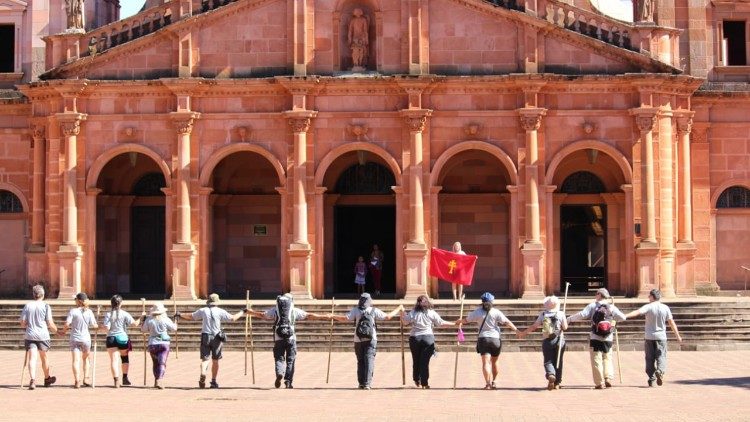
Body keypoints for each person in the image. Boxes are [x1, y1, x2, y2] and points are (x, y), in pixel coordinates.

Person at [246, 293, 334, 389]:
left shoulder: (275, 310)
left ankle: (280, 373)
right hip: (291, 338)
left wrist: (250, 312)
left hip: (278, 337)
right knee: (290, 360)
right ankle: (288, 382)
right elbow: (309, 315)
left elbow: (263, 315)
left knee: (279, 358)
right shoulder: (294, 310)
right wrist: (324, 316)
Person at [331, 293, 402, 389]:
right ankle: (367, 383)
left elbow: (345, 318)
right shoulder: (374, 310)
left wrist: (332, 315)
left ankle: (361, 383)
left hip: (358, 339)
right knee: (369, 361)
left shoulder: (355, 310)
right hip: (371, 339)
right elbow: (388, 317)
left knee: (360, 361)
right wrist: (399, 308)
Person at [176, 293, 245, 389]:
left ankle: (203, 372)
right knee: (215, 360)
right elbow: (233, 318)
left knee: (205, 359)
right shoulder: (220, 311)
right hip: (217, 337)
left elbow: (191, 316)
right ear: (217, 302)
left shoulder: (203, 310)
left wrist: (180, 314)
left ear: (208, 301)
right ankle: (213, 381)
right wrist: (243, 311)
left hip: (205, 336)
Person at [456, 292, 518, 389]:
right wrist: (517, 331)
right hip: (495, 339)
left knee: (486, 362)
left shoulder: (477, 312)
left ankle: (488, 383)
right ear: (492, 302)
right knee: (495, 362)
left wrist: (459, 321)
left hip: (483, 339)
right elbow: (507, 322)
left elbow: (466, 320)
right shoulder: (496, 312)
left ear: (482, 302)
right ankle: (495, 381)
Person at [567, 288, 626, 389]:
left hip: (595, 336)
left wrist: (569, 319)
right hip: (608, 337)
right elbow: (623, 317)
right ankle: (608, 378)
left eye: (596, 293)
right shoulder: (611, 307)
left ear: (599, 295)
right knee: (607, 358)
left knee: (596, 359)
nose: (595, 295)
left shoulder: (593, 305)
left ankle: (599, 382)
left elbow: (582, 314)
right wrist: (614, 321)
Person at [624, 289, 683, 387]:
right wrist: (678, 336)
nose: (648, 297)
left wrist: (625, 316)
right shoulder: (665, 308)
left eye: (649, 296)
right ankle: (660, 371)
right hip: (661, 337)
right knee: (661, 356)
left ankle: (651, 378)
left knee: (649, 358)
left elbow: (637, 312)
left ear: (652, 297)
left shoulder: (648, 307)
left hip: (649, 337)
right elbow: (671, 322)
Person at [402, 295, 454, 389]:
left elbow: (405, 322)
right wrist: (454, 324)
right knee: (424, 362)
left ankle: (417, 379)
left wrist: (403, 314)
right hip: (428, 338)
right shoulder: (431, 313)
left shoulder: (413, 312)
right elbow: (441, 323)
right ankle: (424, 383)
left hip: (415, 338)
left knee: (416, 360)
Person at [518, 296, 568, 390]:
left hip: (547, 340)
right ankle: (557, 382)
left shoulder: (544, 314)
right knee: (558, 361)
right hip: (559, 340)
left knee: (548, 360)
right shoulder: (561, 314)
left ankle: (551, 374)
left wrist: (523, 333)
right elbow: (565, 327)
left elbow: (534, 326)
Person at [19, 284, 58, 390]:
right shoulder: (46, 306)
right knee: (44, 358)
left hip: (30, 335)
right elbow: (50, 323)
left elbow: (22, 323)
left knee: (32, 358)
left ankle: (32, 380)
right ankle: (47, 378)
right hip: (43, 336)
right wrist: (57, 331)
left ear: (33, 295)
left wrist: (28, 324)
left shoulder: (28, 305)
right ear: (43, 294)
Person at [102, 294, 141, 388]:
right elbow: (134, 324)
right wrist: (141, 318)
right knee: (124, 358)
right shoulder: (125, 313)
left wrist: (101, 327)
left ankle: (116, 380)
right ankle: (125, 377)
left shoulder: (108, 314)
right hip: (122, 338)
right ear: (121, 303)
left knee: (114, 360)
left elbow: (107, 328)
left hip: (111, 338)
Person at [62, 292, 98, 388]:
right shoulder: (89, 312)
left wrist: (64, 331)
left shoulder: (73, 311)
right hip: (86, 339)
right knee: (86, 359)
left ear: (78, 301)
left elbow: (67, 324)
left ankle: (77, 380)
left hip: (74, 338)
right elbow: (94, 326)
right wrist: (99, 327)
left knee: (75, 360)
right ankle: (86, 378)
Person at [141, 302, 177, 389]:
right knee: (162, 363)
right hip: (164, 344)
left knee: (155, 363)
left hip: (152, 344)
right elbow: (174, 328)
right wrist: (175, 322)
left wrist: (143, 320)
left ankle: (156, 380)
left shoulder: (149, 319)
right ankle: (159, 379)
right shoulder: (165, 319)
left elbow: (143, 330)